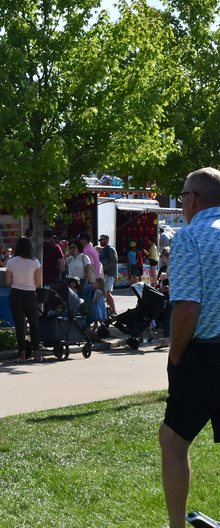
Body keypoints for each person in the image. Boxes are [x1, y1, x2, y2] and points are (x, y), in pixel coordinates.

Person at [159, 167, 220, 528]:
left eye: (182, 197)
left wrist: (176, 355)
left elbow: (186, 309)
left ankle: (177, 527)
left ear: (192, 199)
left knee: (174, 440)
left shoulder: (189, 236)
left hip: (205, 355)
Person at [5, 236, 43, 363]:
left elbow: (8, 282)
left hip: (16, 293)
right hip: (30, 294)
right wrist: (30, 284)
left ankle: (22, 355)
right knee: (34, 323)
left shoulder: (11, 262)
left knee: (19, 325)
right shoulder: (35, 262)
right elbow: (39, 282)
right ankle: (37, 354)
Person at [97, 234, 118, 315]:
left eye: (101, 240)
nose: (100, 241)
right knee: (105, 292)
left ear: (107, 240)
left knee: (108, 292)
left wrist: (105, 268)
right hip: (104, 274)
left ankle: (114, 310)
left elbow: (114, 261)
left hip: (110, 273)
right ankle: (109, 309)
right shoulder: (103, 250)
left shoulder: (111, 249)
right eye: (100, 240)